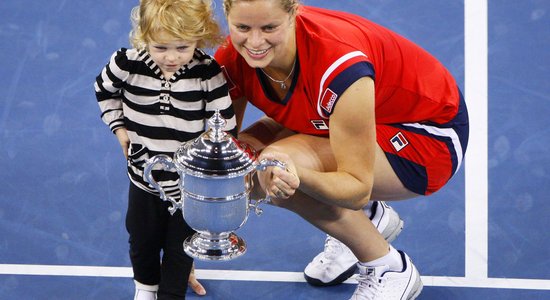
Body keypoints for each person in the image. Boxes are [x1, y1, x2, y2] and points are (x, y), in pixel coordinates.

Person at [214, 0, 469, 299]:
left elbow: (357, 187)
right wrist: (183, 255)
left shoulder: (338, 64)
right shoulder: (231, 56)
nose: (255, 42)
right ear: (227, 14)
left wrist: (295, 176)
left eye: (269, 27)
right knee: (239, 168)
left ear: (294, 10)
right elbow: (221, 152)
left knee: (269, 172)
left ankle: (387, 266)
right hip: (338, 117)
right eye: (242, 28)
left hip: (425, 139)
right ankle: (369, 219)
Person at [94, 0, 237, 298]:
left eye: (182, 48)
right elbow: (104, 91)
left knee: (180, 247)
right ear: (144, 36)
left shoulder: (208, 73)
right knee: (142, 240)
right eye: (161, 48)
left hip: (188, 186)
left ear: (199, 38)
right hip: (142, 179)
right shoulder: (125, 64)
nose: (171, 57)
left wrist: (210, 167)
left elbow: (224, 124)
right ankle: (145, 289)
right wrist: (119, 128)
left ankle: (171, 294)